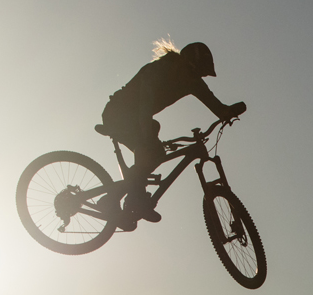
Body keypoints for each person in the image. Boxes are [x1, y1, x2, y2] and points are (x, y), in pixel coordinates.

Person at [99, 39, 246, 224]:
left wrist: (229, 112)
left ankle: (128, 197)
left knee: (153, 150)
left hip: (136, 120)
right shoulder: (159, 70)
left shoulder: (192, 81)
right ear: (188, 64)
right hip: (117, 114)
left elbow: (215, 104)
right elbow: (145, 103)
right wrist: (146, 137)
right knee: (153, 150)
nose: (197, 78)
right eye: (197, 72)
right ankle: (125, 198)